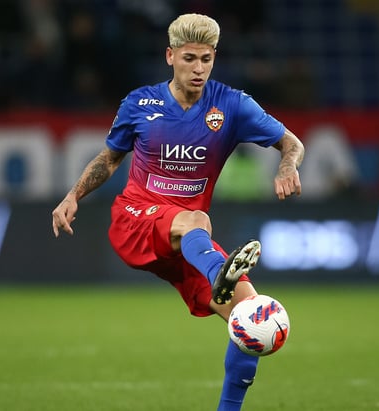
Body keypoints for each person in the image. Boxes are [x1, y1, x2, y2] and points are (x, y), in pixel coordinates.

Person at [51, 13, 304, 411]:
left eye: (206, 59)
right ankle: (219, 274)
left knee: (252, 318)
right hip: (136, 219)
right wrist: (73, 195)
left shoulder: (233, 105)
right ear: (170, 56)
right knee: (197, 220)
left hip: (189, 247)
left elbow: (292, 143)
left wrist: (287, 166)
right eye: (189, 58)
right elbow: (110, 159)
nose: (198, 68)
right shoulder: (140, 103)